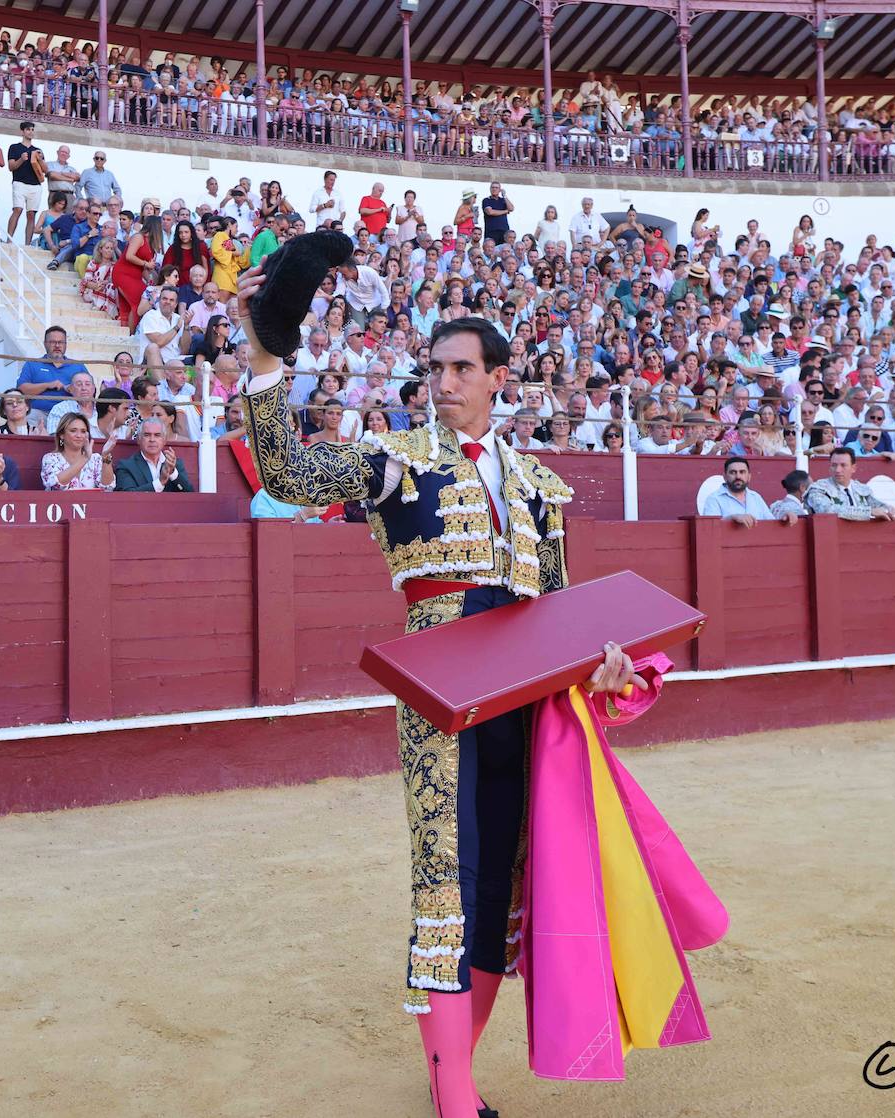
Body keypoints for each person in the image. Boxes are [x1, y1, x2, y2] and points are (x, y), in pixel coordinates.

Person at [238, 248, 723, 1113]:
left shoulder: (539, 484)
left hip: (532, 706)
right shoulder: (398, 460)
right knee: (449, 881)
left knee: (502, 884)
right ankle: (455, 1095)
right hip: (443, 702)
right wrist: (268, 358)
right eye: (435, 369)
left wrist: (608, 670)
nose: (444, 382)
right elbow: (289, 475)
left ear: (499, 378)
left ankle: (453, 1072)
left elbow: (565, 607)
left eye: (462, 369)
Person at [17, 326, 87, 427]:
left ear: (66, 345)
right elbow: (21, 391)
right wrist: (48, 385)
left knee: (72, 430)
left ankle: (61, 443)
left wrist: (75, 389)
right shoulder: (32, 364)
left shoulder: (78, 366)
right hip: (38, 414)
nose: (57, 345)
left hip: (68, 415)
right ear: (45, 344)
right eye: (53, 342)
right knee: (27, 419)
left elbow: (90, 391)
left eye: (61, 342)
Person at [803, 447, 895, 520]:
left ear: (853, 468)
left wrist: (888, 509)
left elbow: (878, 506)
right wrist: (868, 512)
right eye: (834, 465)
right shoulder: (818, 489)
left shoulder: (861, 488)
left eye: (843, 465)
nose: (838, 470)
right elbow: (827, 510)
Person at [41, 411, 118, 491]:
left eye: (83, 431)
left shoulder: (95, 459)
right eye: (73, 431)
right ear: (61, 435)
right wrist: (84, 458)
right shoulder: (50, 459)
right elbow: (56, 485)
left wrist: (106, 455)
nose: (79, 435)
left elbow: (108, 488)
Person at [113, 417, 193, 491]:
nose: (152, 439)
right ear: (138, 439)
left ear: (164, 440)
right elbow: (127, 497)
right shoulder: (126, 466)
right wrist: (160, 482)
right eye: (147, 435)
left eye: (157, 435)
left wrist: (172, 473)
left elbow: (190, 495)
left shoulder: (176, 465)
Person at [701, 457, 775, 526]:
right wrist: (732, 518)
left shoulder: (756, 497)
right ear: (725, 476)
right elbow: (710, 528)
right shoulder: (714, 499)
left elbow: (772, 524)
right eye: (733, 472)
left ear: (749, 476)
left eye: (742, 472)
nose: (738, 476)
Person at [6, 121, 47, 246]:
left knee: (31, 215)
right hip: (19, 183)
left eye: (32, 129)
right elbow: (11, 167)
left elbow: (45, 170)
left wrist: (40, 159)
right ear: (22, 131)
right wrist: (21, 160)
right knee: (17, 210)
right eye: (28, 129)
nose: (31, 132)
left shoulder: (38, 151)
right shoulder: (14, 147)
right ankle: (8, 240)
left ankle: (27, 245)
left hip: (35, 185)